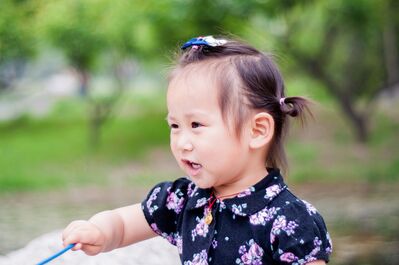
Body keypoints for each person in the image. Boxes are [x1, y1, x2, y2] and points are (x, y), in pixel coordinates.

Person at [62, 36, 333, 265]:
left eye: (196, 124)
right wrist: (99, 231)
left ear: (257, 130)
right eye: (175, 125)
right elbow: (122, 223)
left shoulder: (290, 221)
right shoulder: (182, 200)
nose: (182, 142)